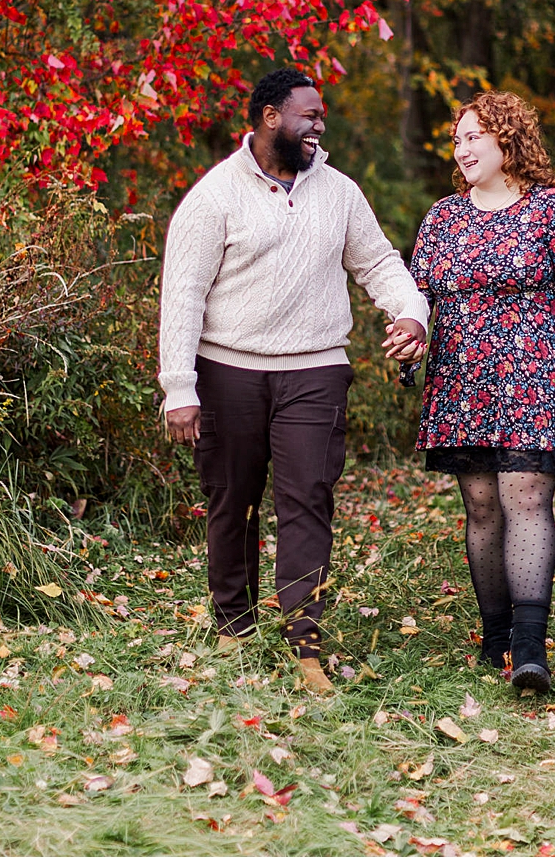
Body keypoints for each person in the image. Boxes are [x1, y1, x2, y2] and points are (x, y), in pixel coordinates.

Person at [159, 67, 428, 697]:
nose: (318, 125)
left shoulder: (337, 192)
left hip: (315, 369)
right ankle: (233, 624)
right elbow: (183, 294)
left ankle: (305, 638)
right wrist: (180, 387)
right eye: (307, 114)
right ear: (270, 116)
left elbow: (378, 260)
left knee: (307, 500)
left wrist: (410, 311)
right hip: (229, 371)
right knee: (233, 499)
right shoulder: (216, 195)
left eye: (322, 114)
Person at [405, 91, 555, 695]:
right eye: (458, 139)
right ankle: (494, 636)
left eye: (475, 137)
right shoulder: (443, 217)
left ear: (507, 142)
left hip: (538, 373)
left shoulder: (554, 210)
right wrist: (409, 335)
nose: (462, 149)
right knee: (483, 507)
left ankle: (528, 649)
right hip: (463, 378)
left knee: (524, 496)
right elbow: (417, 294)